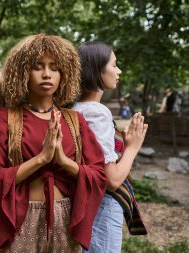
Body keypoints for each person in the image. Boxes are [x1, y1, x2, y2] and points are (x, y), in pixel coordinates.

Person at [0, 34, 107, 253]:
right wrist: (42, 158)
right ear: (23, 72)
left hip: (65, 220)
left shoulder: (74, 120)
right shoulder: (6, 118)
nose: (47, 74)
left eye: (55, 68)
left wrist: (62, 160)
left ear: (64, 74)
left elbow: (98, 175)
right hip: (21, 220)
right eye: (38, 67)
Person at [73, 42, 148, 253]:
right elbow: (112, 180)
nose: (119, 71)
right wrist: (133, 147)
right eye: (114, 65)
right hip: (103, 206)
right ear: (97, 70)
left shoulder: (75, 109)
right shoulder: (97, 113)